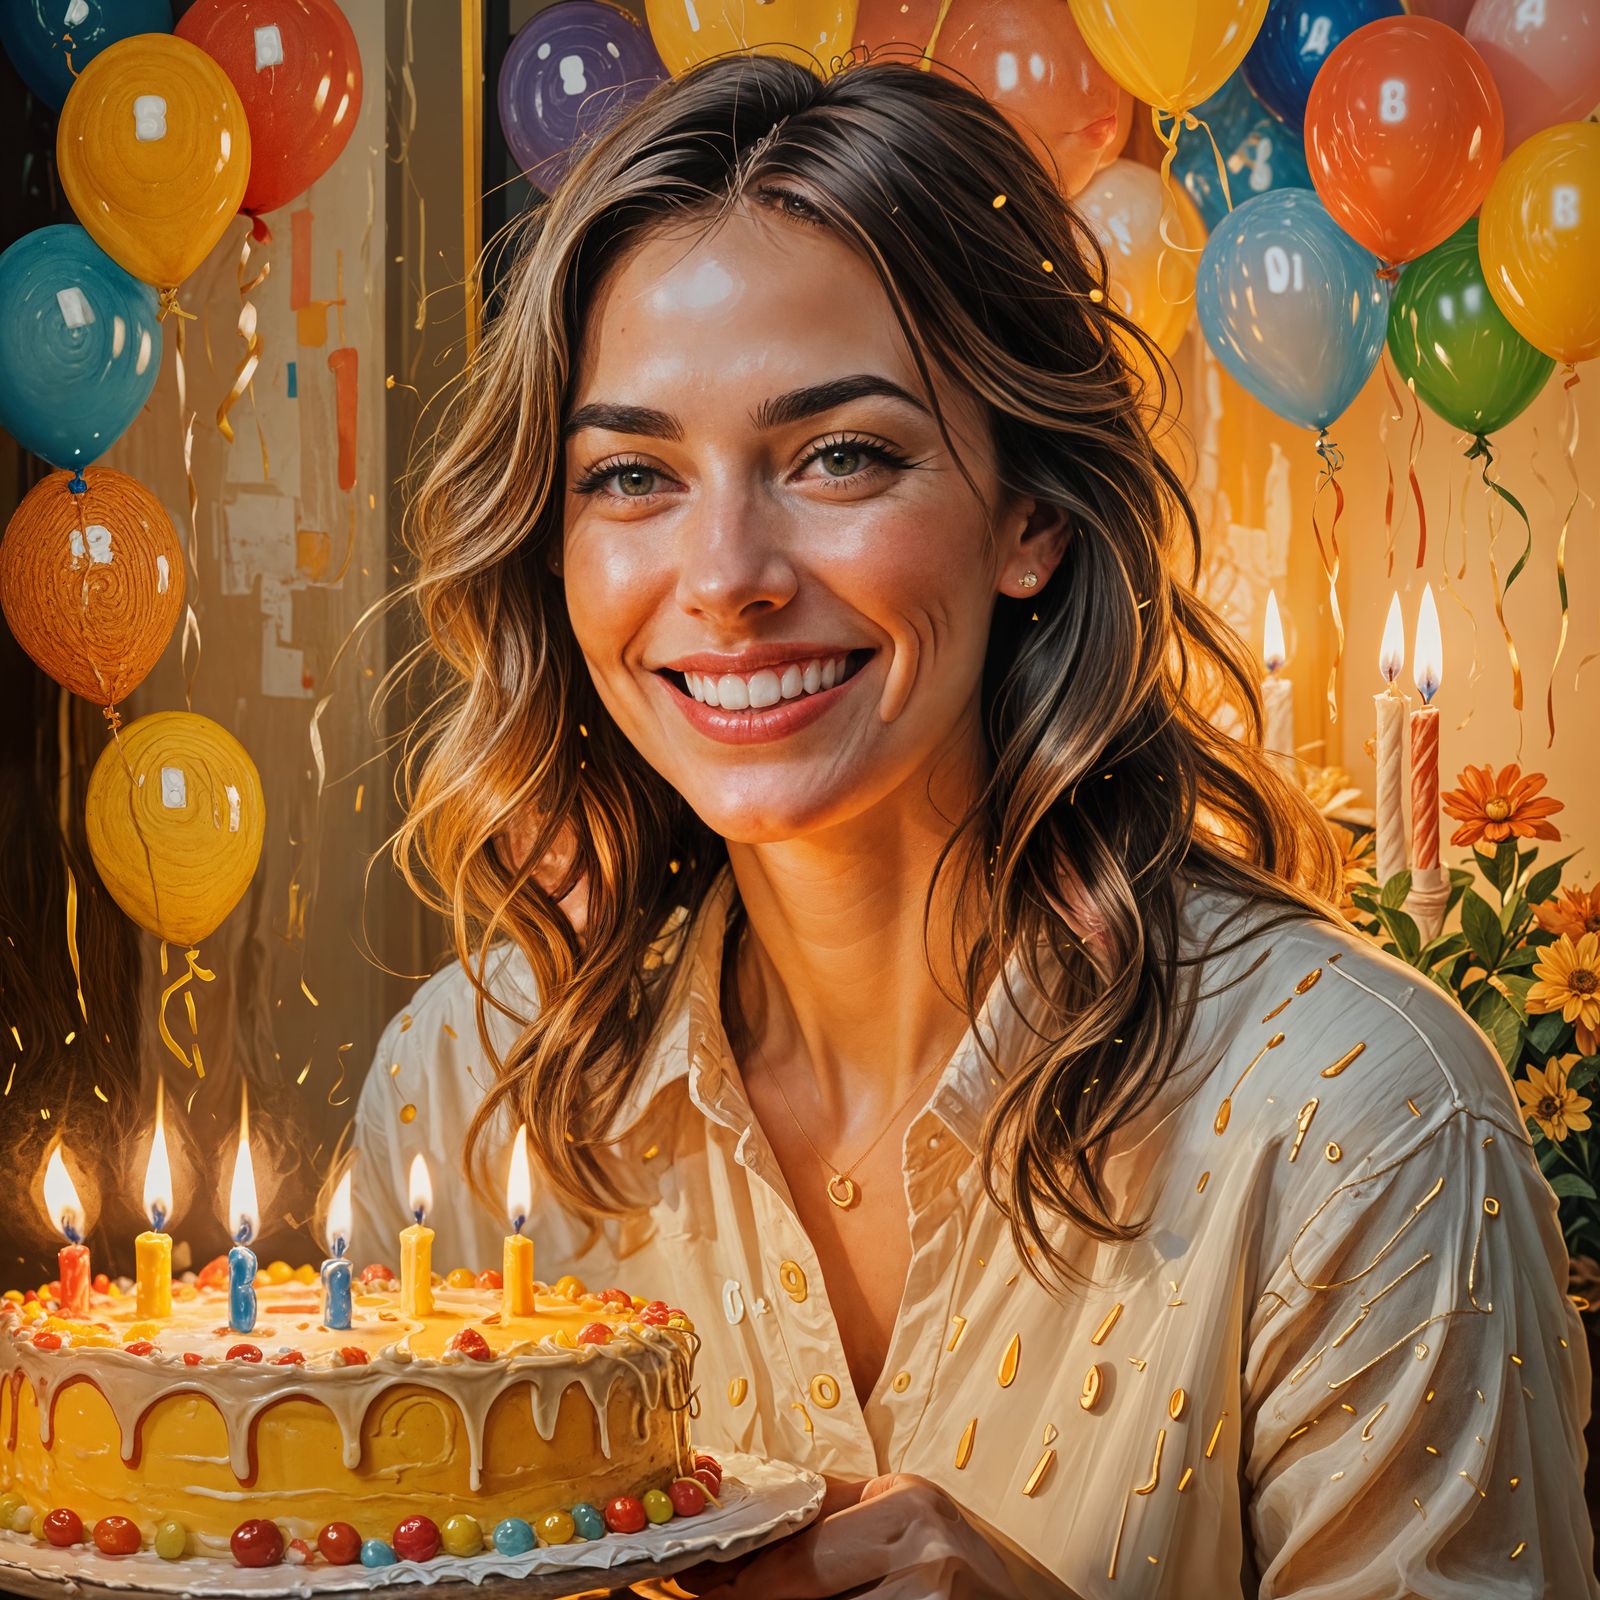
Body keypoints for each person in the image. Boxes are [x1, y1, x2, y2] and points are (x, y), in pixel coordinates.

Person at [351, 53, 1598, 1599]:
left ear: (1032, 517)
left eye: (840, 456)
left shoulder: (1356, 1125)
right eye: (631, 475)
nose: (728, 571)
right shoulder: (468, 1090)